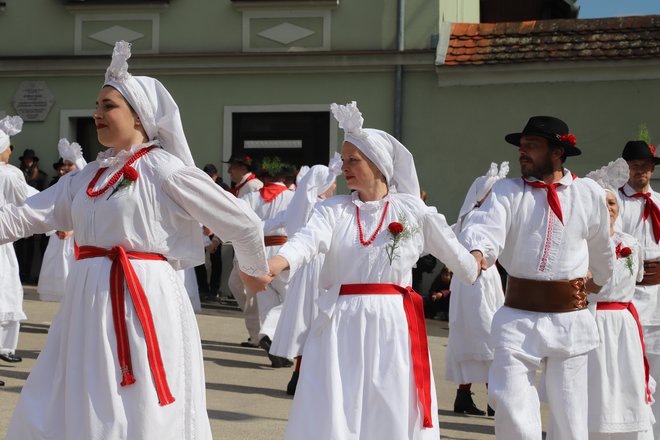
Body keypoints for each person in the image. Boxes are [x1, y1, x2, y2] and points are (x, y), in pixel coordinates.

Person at [3, 40, 269, 440]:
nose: (96, 114)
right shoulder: (85, 177)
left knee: (139, 399)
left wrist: (254, 272)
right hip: (86, 302)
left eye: (108, 106)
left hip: (140, 298)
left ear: (140, 117)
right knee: (80, 394)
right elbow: (23, 216)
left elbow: (244, 223)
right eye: (97, 106)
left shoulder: (164, 169)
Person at [247, 101, 480, 439]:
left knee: (389, 405)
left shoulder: (413, 210)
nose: (345, 168)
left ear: (379, 165)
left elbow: (460, 261)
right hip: (340, 322)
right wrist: (274, 264)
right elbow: (306, 242)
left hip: (393, 324)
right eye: (343, 160)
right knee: (336, 407)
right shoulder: (333, 210)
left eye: (353, 160)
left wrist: (476, 259)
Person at [461, 116, 613, 440]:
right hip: (517, 317)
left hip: (570, 320)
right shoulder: (507, 191)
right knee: (511, 407)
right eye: (522, 146)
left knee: (570, 419)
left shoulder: (587, 193)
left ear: (558, 152)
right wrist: (478, 253)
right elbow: (486, 228)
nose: (523, 152)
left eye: (532, 146)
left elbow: (602, 246)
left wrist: (600, 279)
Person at [585, 157, 655, 439]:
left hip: (624, 324)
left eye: (612, 204)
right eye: (602, 204)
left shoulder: (632, 243)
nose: (608, 209)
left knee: (625, 383)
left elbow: (636, 279)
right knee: (596, 385)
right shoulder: (581, 243)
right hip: (592, 320)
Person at [268, 154, 342, 394]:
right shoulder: (325, 207)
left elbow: (272, 223)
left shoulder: (300, 206)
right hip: (321, 266)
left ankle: (298, 375)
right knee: (319, 319)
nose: (335, 186)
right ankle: (308, 376)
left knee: (304, 318)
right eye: (332, 181)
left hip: (304, 268)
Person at [447, 161, 508, 417]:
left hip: (470, 281)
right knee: (486, 335)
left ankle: (464, 394)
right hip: (479, 279)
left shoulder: (467, 218)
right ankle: (493, 399)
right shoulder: (479, 218)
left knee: (471, 335)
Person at [617, 139, 660, 439]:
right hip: (628, 293)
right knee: (629, 366)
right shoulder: (616, 202)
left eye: (645, 166)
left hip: (658, 294)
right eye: (634, 166)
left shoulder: (659, 201)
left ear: (652, 170)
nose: (640, 171)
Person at [242, 156, 295, 367]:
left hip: (257, 251)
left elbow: (238, 217)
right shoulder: (293, 197)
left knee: (267, 300)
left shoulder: (252, 198)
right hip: (283, 251)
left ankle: (275, 347)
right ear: (285, 177)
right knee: (291, 299)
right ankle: (271, 335)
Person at [37, 138, 87, 303]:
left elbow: (86, 214)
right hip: (59, 237)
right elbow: (49, 210)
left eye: (69, 164)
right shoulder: (60, 184)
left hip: (76, 239)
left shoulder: (84, 187)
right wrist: (55, 228)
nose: (64, 168)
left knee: (72, 276)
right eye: (63, 164)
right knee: (58, 276)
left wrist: (71, 230)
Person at [0, 115, 31, 365]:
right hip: (2, 240)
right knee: (7, 292)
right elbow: (28, 202)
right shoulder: (10, 174)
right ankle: (4, 347)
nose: (11, 151)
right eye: (9, 146)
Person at [224, 154, 264, 347]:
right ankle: (257, 333)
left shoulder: (253, 187)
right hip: (243, 246)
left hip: (249, 247)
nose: (229, 171)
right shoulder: (244, 188)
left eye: (232, 167)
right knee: (238, 286)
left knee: (246, 290)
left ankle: (258, 334)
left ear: (242, 168)